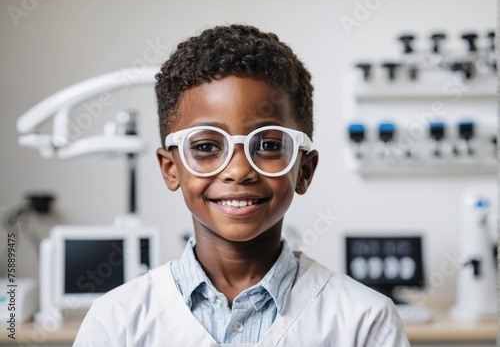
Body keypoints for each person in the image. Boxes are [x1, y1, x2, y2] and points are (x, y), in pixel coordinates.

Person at [73, 24, 410, 346]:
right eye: (206, 147)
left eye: (268, 145)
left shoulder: (364, 322)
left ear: (304, 170)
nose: (238, 170)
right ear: (171, 168)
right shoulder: (116, 323)